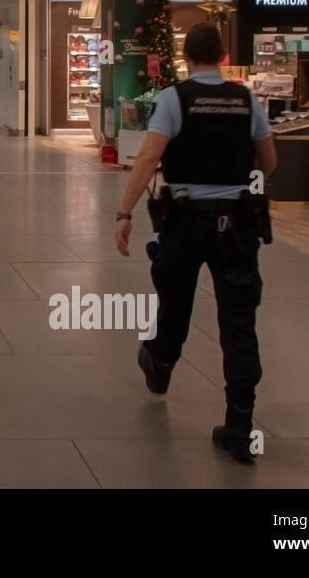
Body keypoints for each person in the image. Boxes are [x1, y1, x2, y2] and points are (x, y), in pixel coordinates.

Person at [114, 24, 276, 463]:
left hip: (186, 222)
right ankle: (240, 424)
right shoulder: (247, 100)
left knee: (175, 302)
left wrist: (125, 212)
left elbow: (149, 156)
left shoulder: (174, 98)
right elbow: (270, 159)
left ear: (185, 57)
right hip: (237, 227)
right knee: (239, 322)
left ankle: (161, 362)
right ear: (224, 57)